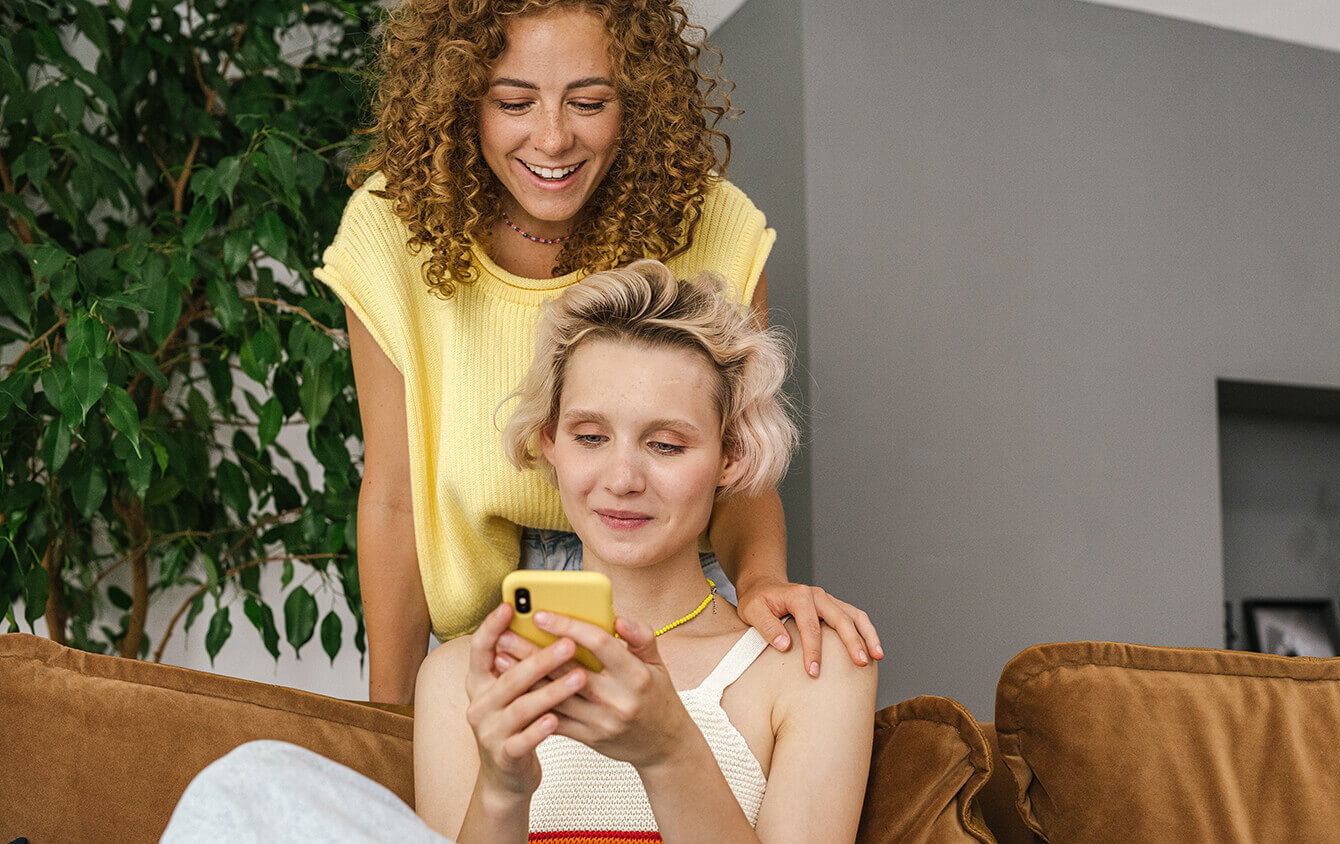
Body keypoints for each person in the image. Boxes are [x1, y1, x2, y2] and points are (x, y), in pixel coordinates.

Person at [160, 262, 876, 842]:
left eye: (665, 445)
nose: (622, 478)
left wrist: (668, 749)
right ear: (549, 443)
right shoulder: (458, 677)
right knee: (250, 780)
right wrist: (503, 789)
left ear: (732, 455)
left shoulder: (812, 667)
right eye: (590, 437)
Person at [315, 0, 881, 706]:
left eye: (588, 102)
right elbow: (395, 497)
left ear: (636, 99)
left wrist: (763, 581)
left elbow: (739, 467)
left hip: (674, 590)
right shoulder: (393, 228)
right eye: (514, 103)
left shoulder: (711, 224)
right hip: (480, 620)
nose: (553, 139)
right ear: (461, 102)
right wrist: (386, 724)